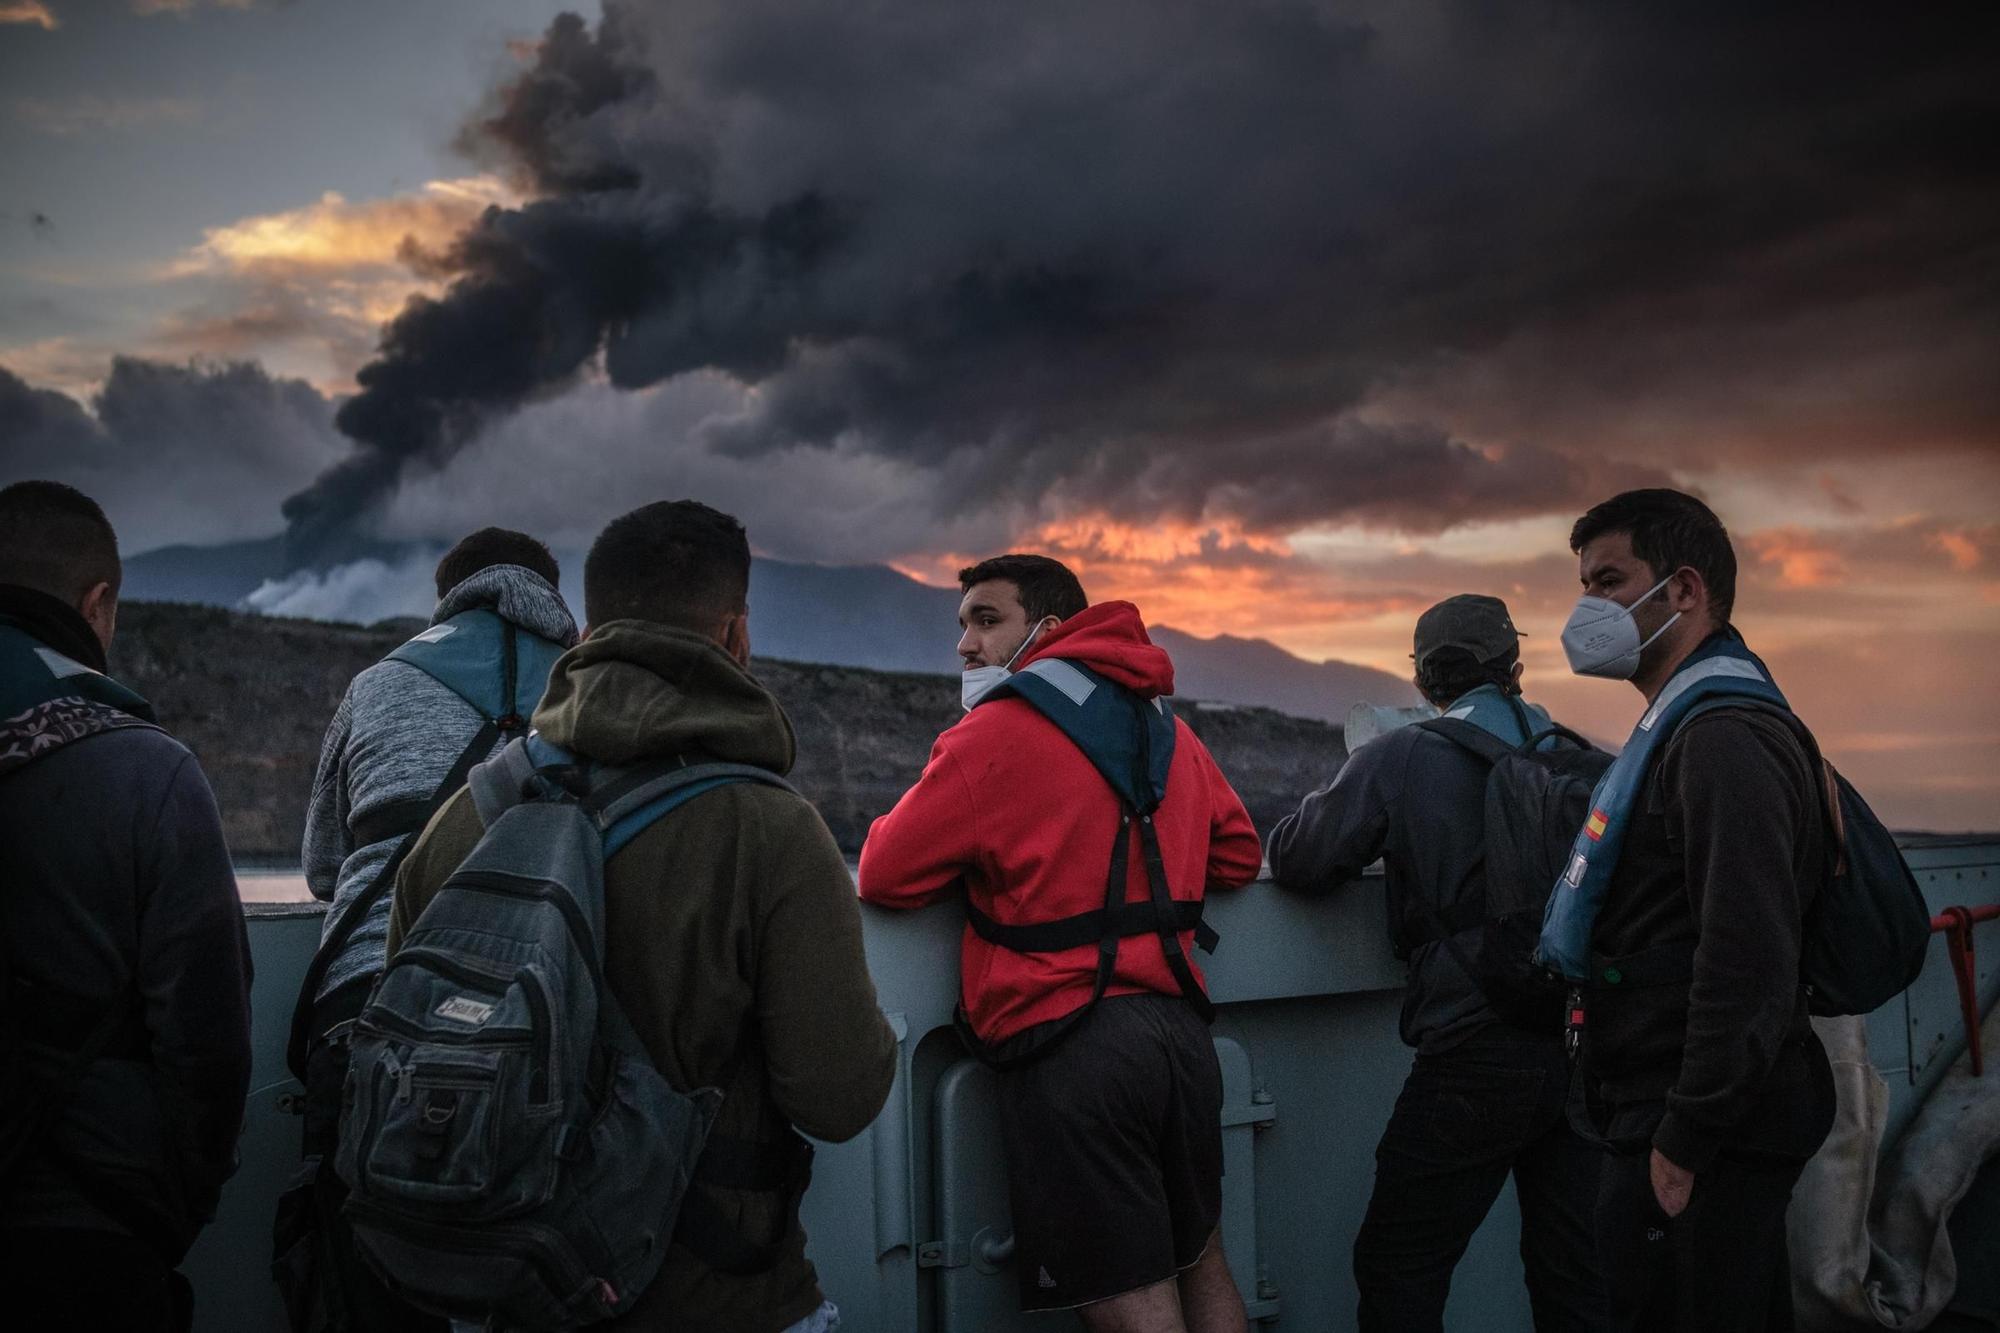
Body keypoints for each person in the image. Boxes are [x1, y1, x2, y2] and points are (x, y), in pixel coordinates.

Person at [390, 500, 896, 1333]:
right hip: (724, 1301)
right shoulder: (771, 829)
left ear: (589, 631)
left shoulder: (467, 817)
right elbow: (840, 1097)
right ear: (735, 636)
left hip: (503, 1296)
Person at [858, 553, 1263, 1333]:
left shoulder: (992, 736)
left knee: (1131, 1300)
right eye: (962, 624)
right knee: (1203, 1263)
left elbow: (882, 872)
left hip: (1074, 1054)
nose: (964, 646)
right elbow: (1240, 855)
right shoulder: (1164, 728)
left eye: (985, 620)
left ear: (1044, 630)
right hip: (1180, 1039)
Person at [1264, 594, 1606, 1332]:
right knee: (1574, 1268)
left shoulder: (1403, 756)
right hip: (1585, 1045)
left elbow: (1299, 858)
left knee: (1401, 1261)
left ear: (1423, 680)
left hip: (1473, 1046)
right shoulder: (1579, 757)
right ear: (1514, 666)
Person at [1540, 488, 1836, 1332]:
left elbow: (1748, 959)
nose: (1587, 609)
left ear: (1682, 589)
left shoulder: (1720, 740)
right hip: (1675, 1108)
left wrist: (1684, 1142)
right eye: (1584, 585)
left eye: (1608, 580)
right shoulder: (1688, 728)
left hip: (1699, 1125)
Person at [286, 527, 578, 1332]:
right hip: (541, 1022)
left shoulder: (378, 683)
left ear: (447, 596)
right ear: (556, 597)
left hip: (369, 1004)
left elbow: (321, 866)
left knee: (360, 1279)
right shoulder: (592, 690)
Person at [0, 480, 254, 1332]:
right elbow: (208, 1040)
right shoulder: (148, 773)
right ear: (97, 603)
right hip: (85, 1239)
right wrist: (171, 1205)